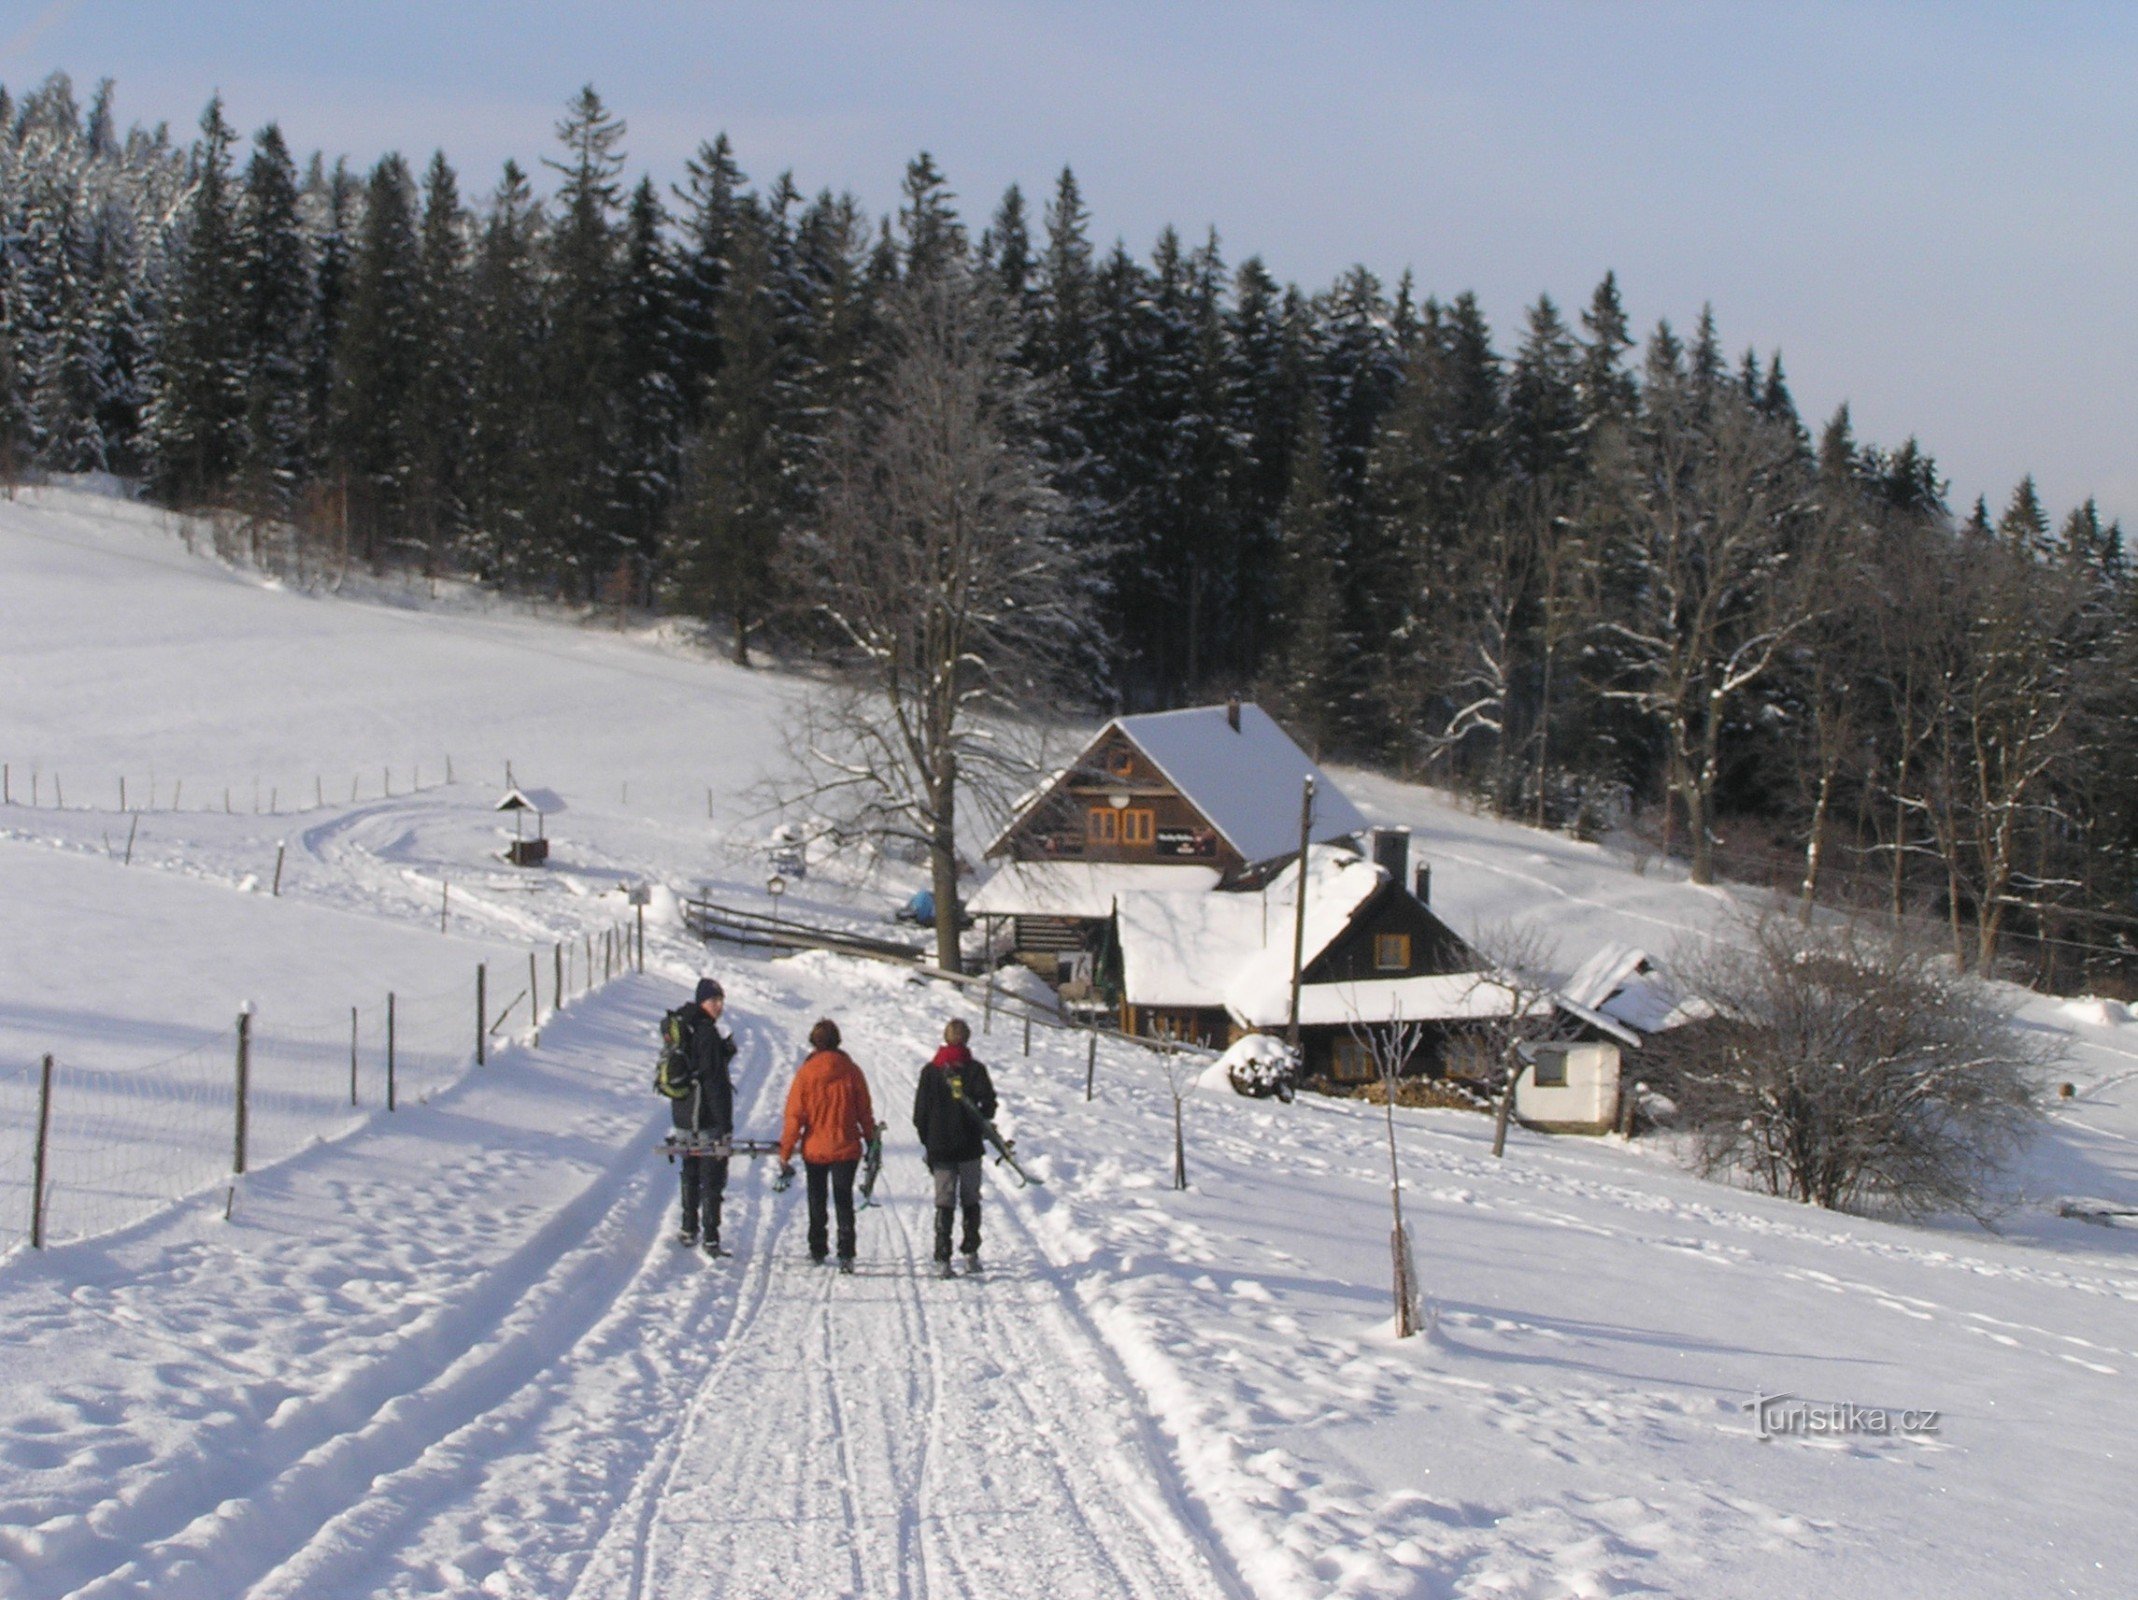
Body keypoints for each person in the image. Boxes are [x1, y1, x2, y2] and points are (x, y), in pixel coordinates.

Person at [778, 1018, 876, 1271]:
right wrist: (871, 1140)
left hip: (815, 1147)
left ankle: (817, 1246)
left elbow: (794, 1115)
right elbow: (864, 1111)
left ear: (814, 1043)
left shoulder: (806, 1074)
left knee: (817, 1196)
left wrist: (786, 1150)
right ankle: (846, 1252)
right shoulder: (852, 1071)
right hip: (846, 1146)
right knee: (844, 1199)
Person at [912, 1017, 998, 1276]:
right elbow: (989, 1106)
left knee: (944, 1201)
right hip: (970, 1147)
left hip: (941, 1148)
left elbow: (920, 1114)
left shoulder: (930, 1072)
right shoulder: (976, 1070)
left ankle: (942, 1257)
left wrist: (929, 1140)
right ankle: (971, 1252)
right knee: (971, 1199)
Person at [672, 978, 737, 1253]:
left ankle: (689, 1227)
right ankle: (710, 1237)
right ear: (702, 1001)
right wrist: (725, 1125)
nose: (719, 1006)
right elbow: (714, 1082)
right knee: (712, 1175)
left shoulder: (686, 1027)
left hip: (684, 1114)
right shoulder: (707, 1033)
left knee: (690, 1170)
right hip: (706, 1117)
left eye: (721, 1000)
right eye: (714, 1001)